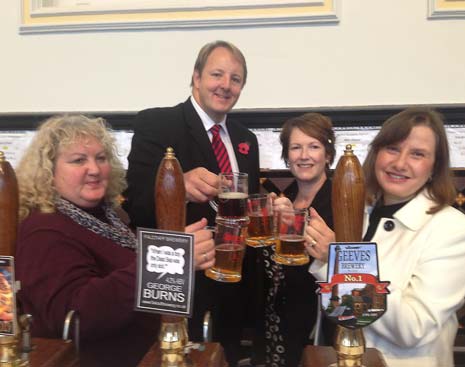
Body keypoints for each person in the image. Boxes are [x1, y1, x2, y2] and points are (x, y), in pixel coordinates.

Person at [15, 114, 215, 367]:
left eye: (101, 158)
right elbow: (73, 318)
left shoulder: (109, 214)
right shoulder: (43, 231)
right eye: (78, 160)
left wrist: (179, 255)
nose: (95, 169)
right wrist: (169, 260)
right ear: (48, 171)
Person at [123, 40, 260, 364]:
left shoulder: (245, 139)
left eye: (236, 79)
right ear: (196, 77)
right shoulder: (156, 123)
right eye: (217, 74)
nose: (226, 85)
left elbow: (248, 207)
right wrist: (178, 186)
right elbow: (137, 203)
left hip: (235, 282)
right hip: (180, 285)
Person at [308, 107, 465, 367]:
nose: (400, 163)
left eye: (417, 154)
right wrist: (326, 259)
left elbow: (411, 330)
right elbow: (341, 308)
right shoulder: (364, 213)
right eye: (392, 148)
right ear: (376, 153)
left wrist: (341, 261)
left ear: (434, 166)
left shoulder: (453, 229)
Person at [267, 113, 336, 366]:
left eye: (314, 146)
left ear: (328, 155)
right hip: (275, 318)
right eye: (296, 147)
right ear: (287, 156)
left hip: (316, 324)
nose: (304, 155)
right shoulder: (285, 198)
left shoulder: (340, 201)